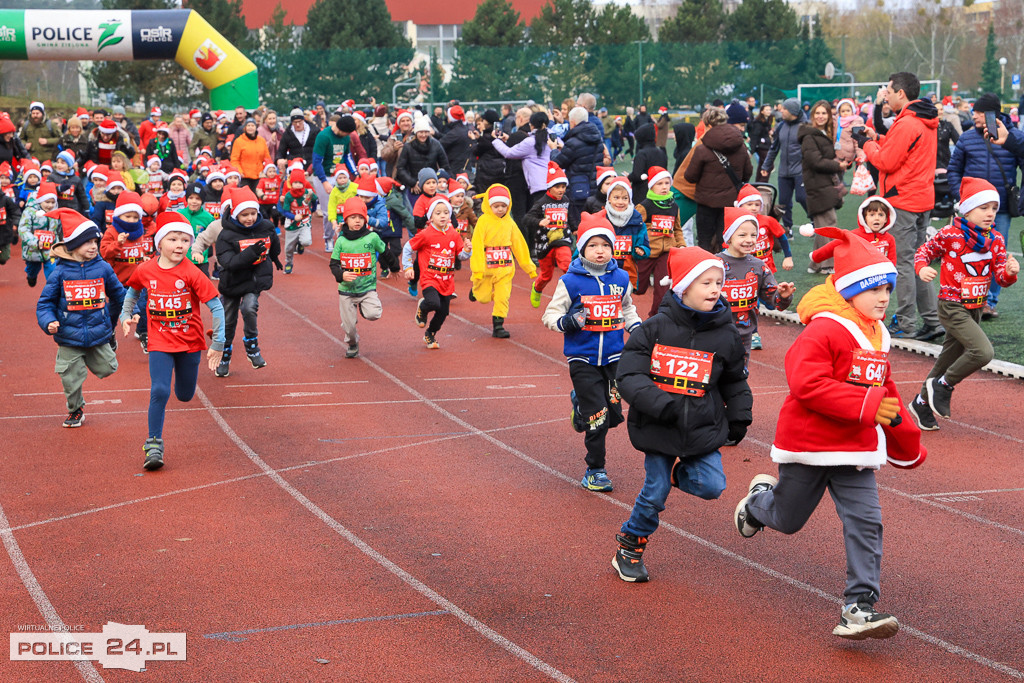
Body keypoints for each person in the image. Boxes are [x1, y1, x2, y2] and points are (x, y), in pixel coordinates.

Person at [734, 227, 926, 639]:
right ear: (849, 290)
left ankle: (859, 606)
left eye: (887, 290)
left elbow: (884, 389)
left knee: (867, 522)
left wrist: (906, 439)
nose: (883, 298)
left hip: (855, 448)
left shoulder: (877, 333)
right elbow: (805, 382)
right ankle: (757, 504)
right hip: (811, 444)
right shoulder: (824, 329)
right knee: (788, 520)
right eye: (873, 289)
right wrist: (865, 405)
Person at [612, 246, 752, 582]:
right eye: (706, 283)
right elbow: (629, 374)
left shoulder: (726, 333)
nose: (715, 289)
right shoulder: (654, 328)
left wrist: (739, 417)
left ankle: (679, 475)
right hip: (659, 426)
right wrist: (661, 404)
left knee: (712, 486)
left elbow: (735, 380)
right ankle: (631, 545)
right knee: (655, 491)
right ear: (684, 287)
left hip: (702, 427)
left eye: (719, 282)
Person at [907, 178, 1019, 431]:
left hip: (975, 307)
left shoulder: (996, 239)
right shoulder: (950, 234)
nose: (990, 213)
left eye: (994, 208)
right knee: (983, 352)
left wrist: (1010, 273)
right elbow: (923, 252)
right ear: (967, 210)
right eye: (983, 207)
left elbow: (1000, 278)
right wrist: (922, 268)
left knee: (947, 359)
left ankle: (921, 403)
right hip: (952, 305)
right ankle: (943, 386)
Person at [542, 214, 641, 492]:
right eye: (593, 245)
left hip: (614, 358)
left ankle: (579, 406)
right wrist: (568, 322)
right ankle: (595, 470)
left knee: (613, 415)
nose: (600, 251)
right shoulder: (570, 282)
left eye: (606, 245)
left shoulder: (621, 278)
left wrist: (637, 328)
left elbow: (627, 308)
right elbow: (550, 315)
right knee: (598, 419)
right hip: (582, 359)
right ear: (582, 248)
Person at [120, 212, 225, 470]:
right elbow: (132, 291)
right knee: (160, 390)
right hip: (159, 341)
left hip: (189, 343)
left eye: (185, 240)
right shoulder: (146, 269)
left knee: (185, 395)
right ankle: (153, 444)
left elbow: (217, 307)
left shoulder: (192, 273)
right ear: (159, 243)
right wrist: (125, 315)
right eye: (173, 239)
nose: (180, 245)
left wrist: (218, 343)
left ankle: (184, 384)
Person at [860, 72, 942, 341]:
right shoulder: (923, 118)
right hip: (921, 198)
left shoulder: (907, 122)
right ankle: (932, 320)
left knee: (905, 264)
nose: (887, 96)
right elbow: (905, 151)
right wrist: (877, 138)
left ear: (901, 93)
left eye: (889, 91)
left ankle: (906, 322)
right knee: (918, 261)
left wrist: (867, 144)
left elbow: (886, 162)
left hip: (903, 200)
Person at [36, 209, 124, 428]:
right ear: (73, 245)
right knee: (70, 377)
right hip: (68, 335)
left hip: (98, 332)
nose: (93, 246)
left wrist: (122, 316)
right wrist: (48, 322)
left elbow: (119, 295)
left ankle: (102, 347)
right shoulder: (60, 272)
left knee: (109, 368)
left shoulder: (103, 268)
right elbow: (45, 303)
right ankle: (75, 410)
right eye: (87, 242)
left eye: (95, 241)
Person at [945, 93, 1021, 319]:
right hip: (972, 208)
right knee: (968, 252)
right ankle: (967, 298)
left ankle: (989, 301)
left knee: (997, 253)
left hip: (1001, 207)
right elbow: (954, 170)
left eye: (979, 112)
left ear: (992, 114)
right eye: (974, 111)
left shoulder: (1014, 137)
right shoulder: (967, 138)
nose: (974, 116)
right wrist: (961, 197)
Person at [214, 186, 282, 376]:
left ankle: (252, 346)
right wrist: (251, 253)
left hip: (253, 280)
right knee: (228, 320)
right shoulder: (226, 235)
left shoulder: (265, 227)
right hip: (232, 282)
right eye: (244, 215)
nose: (250, 218)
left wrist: (275, 257)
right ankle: (224, 355)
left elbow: (273, 242)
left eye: (253, 213)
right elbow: (228, 262)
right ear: (235, 214)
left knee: (250, 307)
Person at [717, 207, 794, 363]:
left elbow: (774, 300)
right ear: (729, 237)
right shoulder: (715, 264)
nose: (749, 239)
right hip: (717, 332)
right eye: (742, 235)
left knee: (740, 371)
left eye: (753, 235)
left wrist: (783, 296)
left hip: (745, 334)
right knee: (716, 370)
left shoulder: (759, 266)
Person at [329, 196, 397, 358]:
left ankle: (363, 308)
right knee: (350, 328)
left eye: (361, 217)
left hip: (367, 288)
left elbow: (385, 252)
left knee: (374, 314)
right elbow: (333, 264)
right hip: (346, 291)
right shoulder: (341, 241)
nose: (357, 221)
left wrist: (395, 267)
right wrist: (341, 275)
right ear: (346, 220)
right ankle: (353, 343)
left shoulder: (372, 237)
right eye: (353, 217)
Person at [468, 184, 536, 338]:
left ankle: (498, 326)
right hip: (486, 268)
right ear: (489, 205)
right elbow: (477, 245)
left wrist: (529, 267)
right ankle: (475, 290)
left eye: (503, 206)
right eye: (496, 206)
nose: (500, 209)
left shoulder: (510, 223)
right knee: (483, 298)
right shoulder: (483, 221)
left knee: (503, 297)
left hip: (505, 269)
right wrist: (477, 270)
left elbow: (519, 244)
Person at [684, 108, 753, 253]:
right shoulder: (740, 146)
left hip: (706, 202)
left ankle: (706, 267)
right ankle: (726, 266)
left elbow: (690, 176)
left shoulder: (702, 149)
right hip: (730, 202)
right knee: (726, 241)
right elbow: (747, 174)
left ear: (708, 125)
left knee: (704, 242)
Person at [403, 195, 467, 349]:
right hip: (429, 278)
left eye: (446, 212)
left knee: (443, 312)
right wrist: (408, 267)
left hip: (446, 280)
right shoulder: (426, 234)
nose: (442, 216)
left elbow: (461, 256)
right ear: (430, 217)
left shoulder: (454, 234)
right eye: (438, 213)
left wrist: (467, 250)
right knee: (433, 303)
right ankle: (423, 307)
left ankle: (430, 334)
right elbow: (408, 248)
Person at [799, 100, 850, 274]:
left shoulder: (824, 134)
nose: (821, 116)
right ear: (812, 115)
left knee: (825, 224)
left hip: (825, 183)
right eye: (818, 113)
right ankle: (827, 264)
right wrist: (837, 165)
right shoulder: (809, 136)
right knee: (828, 224)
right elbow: (815, 162)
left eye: (824, 113)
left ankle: (815, 264)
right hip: (816, 184)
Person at [635, 166, 687, 319]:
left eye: (667, 183)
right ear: (651, 186)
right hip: (646, 252)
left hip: (666, 253)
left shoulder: (674, 206)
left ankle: (655, 318)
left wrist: (681, 245)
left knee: (662, 288)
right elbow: (634, 228)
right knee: (638, 288)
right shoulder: (644, 206)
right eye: (659, 183)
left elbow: (677, 229)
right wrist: (638, 246)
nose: (664, 187)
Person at [525, 163, 574, 307]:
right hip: (544, 243)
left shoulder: (566, 201)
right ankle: (537, 288)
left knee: (567, 264)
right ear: (549, 187)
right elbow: (526, 219)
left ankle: (574, 292)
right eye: (557, 187)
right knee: (546, 275)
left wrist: (576, 228)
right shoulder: (541, 203)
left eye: (563, 187)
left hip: (562, 239)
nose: (561, 190)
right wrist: (539, 222)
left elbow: (570, 217)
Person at [809, 196, 897, 271]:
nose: (877, 218)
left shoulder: (889, 239)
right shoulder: (854, 235)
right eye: (872, 215)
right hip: (860, 276)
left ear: (886, 219)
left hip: (881, 278)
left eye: (881, 215)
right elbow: (834, 245)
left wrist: (891, 273)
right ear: (864, 218)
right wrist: (816, 256)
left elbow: (892, 260)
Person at [760, 98, 807, 235]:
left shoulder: (805, 127)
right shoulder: (781, 126)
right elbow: (774, 148)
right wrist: (766, 166)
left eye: (784, 109)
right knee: (783, 202)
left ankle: (815, 221)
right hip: (784, 172)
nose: (781, 110)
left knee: (802, 197)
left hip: (801, 171)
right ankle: (788, 228)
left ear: (793, 111)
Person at [551, 107, 604, 226]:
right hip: (595, 186)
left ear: (573, 122)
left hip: (577, 188)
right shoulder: (597, 139)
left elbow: (557, 163)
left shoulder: (573, 142)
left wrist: (554, 150)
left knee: (579, 224)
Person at [19, 181, 60, 286]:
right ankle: (31, 276)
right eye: (47, 202)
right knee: (33, 269)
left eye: (53, 202)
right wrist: (35, 242)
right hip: (33, 250)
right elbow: (23, 229)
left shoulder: (55, 212)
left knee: (53, 271)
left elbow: (57, 230)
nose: (50, 205)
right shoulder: (29, 211)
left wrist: (58, 244)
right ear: (40, 200)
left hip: (50, 249)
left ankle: (53, 289)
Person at [278, 169, 318, 274]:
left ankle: (300, 243)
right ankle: (289, 263)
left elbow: (315, 199)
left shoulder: (308, 193)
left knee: (307, 241)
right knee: (289, 248)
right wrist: (294, 216)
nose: (298, 185)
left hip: (305, 222)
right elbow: (285, 211)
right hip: (292, 224)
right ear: (291, 183)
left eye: (300, 182)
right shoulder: (288, 196)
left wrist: (313, 209)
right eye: (295, 182)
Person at [628, 124, 667, 201]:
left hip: (642, 193)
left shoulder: (641, 154)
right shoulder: (661, 153)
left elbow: (637, 175)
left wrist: (628, 177)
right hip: (658, 192)